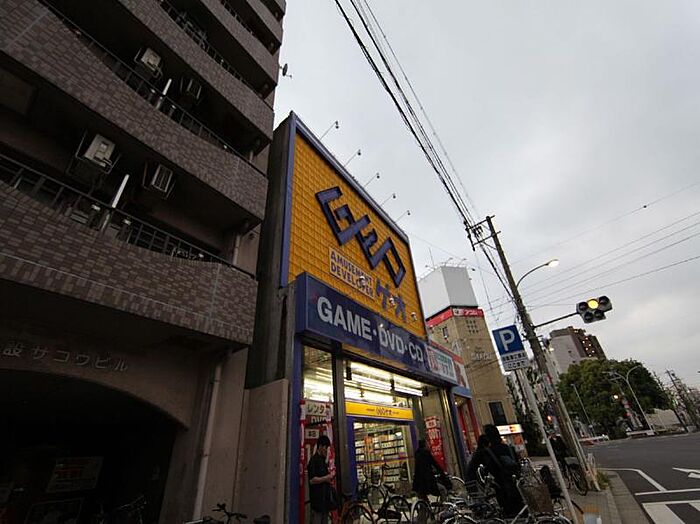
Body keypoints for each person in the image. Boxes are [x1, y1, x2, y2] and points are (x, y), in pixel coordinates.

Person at [482, 424, 524, 518]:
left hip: (501, 485)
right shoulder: (509, 448)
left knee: (508, 513)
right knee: (520, 510)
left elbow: (489, 468)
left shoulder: (489, 452)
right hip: (515, 483)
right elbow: (517, 464)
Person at [307, 435, 335, 524]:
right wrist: (326, 478)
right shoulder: (313, 461)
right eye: (325, 448)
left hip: (325, 503)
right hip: (317, 503)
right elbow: (312, 480)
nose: (326, 451)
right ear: (320, 446)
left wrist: (329, 478)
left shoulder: (323, 461)